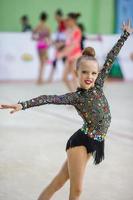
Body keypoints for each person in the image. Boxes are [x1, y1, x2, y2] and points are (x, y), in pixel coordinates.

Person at [0, 20, 132, 200]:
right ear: (76, 73)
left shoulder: (99, 86)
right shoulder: (76, 97)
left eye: (93, 73)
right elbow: (48, 98)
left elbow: (110, 57)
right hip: (80, 143)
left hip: (95, 141)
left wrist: (125, 35)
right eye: (85, 72)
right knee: (76, 190)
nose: (90, 77)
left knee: (58, 182)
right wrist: (22, 104)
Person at [57, 12, 82, 92]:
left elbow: (74, 45)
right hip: (69, 56)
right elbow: (67, 44)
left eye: (68, 20)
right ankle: (73, 96)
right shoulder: (68, 30)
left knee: (74, 78)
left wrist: (62, 53)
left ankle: (78, 98)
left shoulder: (77, 31)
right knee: (64, 77)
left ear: (73, 21)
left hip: (76, 56)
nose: (67, 22)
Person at [47, 9, 67, 82]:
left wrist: (60, 43)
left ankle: (50, 77)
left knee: (65, 62)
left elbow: (65, 36)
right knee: (56, 60)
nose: (54, 17)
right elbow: (60, 36)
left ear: (59, 16)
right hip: (60, 44)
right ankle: (50, 77)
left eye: (55, 16)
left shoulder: (63, 23)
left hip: (63, 45)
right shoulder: (59, 24)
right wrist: (54, 42)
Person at [32, 12, 51, 84]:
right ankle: (41, 79)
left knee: (40, 62)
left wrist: (37, 38)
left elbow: (33, 36)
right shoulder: (47, 27)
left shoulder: (38, 26)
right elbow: (49, 38)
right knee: (43, 63)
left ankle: (39, 79)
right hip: (44, 45)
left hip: (39, 44)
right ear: (46, 19)